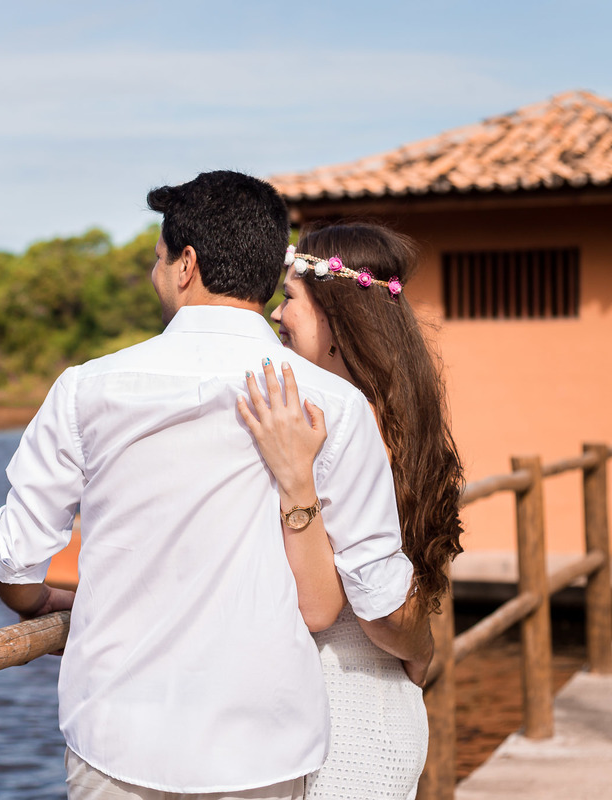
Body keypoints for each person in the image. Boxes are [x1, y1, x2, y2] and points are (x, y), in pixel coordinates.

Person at [0, 171, 420, 799]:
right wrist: (424, 651)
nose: (155, 274)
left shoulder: (86, 389)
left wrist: (37, 605)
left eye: (158, 259)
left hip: (116, 736)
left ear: (186, 264)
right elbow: (369, 596)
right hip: (264, 744)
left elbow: (14, 559)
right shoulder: (333, 404)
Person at [238, 221, 465, 799]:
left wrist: (420, 646)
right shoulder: (404, 422)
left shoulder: (331, 428)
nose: (275, 314)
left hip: (340, 716)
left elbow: (378, 605)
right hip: (375, 700)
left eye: (290, 297)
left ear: (336, 320)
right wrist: (423, 649)